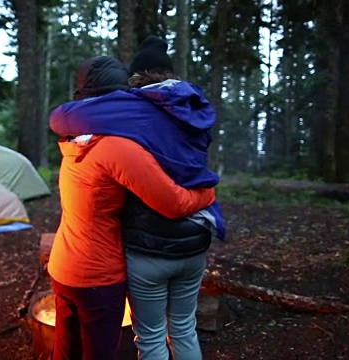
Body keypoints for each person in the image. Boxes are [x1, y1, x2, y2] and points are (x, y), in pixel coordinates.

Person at [50, 36, 225, 360]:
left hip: (68, 263)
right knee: (173, 331)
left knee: (72, 349)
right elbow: (172, 202)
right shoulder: (119, 145)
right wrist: (208, 193)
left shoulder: (73, 141)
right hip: (100, 273)